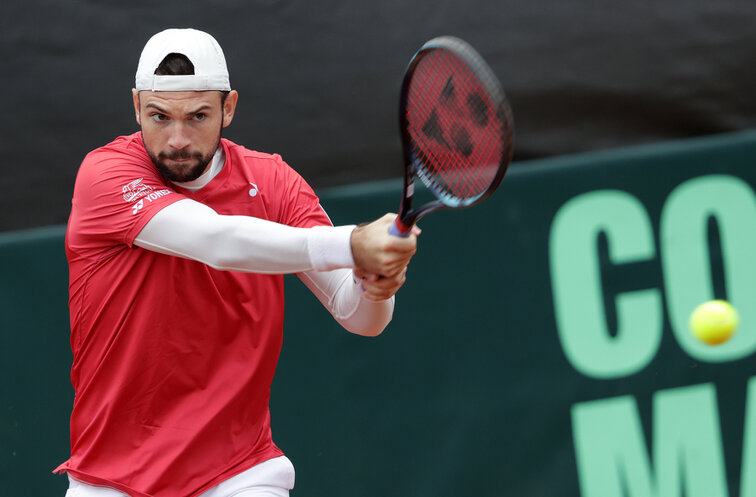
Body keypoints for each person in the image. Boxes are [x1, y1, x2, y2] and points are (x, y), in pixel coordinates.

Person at [55, 28, 419, 497]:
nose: (177, 139)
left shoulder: (274, 182)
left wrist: (377, 285)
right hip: (110, 481)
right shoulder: (104, 175)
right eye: (159, 116)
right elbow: (215, 240)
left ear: (229, 108)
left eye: (198, 116)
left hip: (240, 475)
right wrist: (351, 244)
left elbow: (359, 317)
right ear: (136, 107)